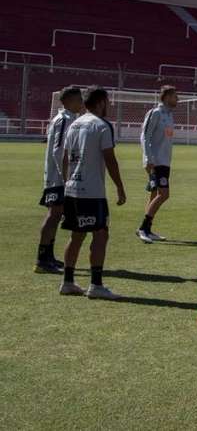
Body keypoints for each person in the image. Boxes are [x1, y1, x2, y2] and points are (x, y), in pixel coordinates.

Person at [58, 86, 127, 300]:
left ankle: (67, 282)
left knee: (76, 234)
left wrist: (66, 182)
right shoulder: (102, 125)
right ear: (100, 102)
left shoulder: (75, 124)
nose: (109, 105)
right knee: (100, 233)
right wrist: (119, 186)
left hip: (73, 189)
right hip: (93, 191)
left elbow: (65, 158)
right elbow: (110, 158)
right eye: (107, 101)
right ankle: (96, 285)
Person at [35, 86, 82, 273]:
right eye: (78, 99)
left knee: (56, 215)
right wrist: (65, 177)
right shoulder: (63, 120)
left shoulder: (70, 119)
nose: (81, 102)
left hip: (60, 176)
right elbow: (58, 150)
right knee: (53, 215)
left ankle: (48, 257)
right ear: (69, 101)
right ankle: (42, 259)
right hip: (58, 177)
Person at [137, 85, 177, 243]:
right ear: (166, 97)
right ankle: (142, 228)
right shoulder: (155, 113)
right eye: (175, 96)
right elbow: (145, 136)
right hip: (156, 161)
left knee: (154, 194)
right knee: (164, 194)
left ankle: (147, 229)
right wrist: (147, 158)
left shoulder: (169, 115)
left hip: (164, 161)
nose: (177, 99)